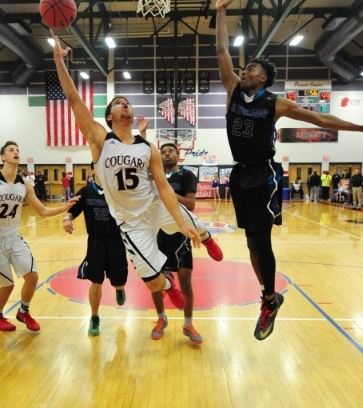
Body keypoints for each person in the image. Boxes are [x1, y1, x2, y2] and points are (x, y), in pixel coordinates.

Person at [215, 0, 363, 341]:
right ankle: (270, 297)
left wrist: (359, 126)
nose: (243, 71)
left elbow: (320, 121)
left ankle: (267, 299)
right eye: (244, 68)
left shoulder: (276, 104)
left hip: (264, 174)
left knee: (262, 241)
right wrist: (220, 13)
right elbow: (221, 51)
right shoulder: (233, 90)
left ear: (263, 78)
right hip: (240, 173)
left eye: (251, 69)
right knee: (250, 242)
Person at [51, 30, 222, 315]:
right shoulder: (99, 139)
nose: (124, 103)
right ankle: (168, 286)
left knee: (190, 223)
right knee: (152, 282)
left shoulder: (148, 148)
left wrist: (180, 223)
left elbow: (165, 188)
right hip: (130, 223)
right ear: (109, 116)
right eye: (117, 102)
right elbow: (71, 97)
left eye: (126, 101)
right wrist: (58, 59)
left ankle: (207, 238)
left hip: (155, 204)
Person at [0, 141, 79, 332]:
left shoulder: (24, 183)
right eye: (11, 150)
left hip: (13, 236)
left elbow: (42, 210)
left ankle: (23, 312)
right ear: (2, 157)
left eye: (18, 150)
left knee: (33, 276)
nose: (16, 152)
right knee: (7, 285)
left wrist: (64, 207)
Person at [63, 162, 128, 337]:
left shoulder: (118, 190)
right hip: (96, 242)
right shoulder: (85, 192)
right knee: (96, 282)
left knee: (118, 281)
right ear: (93, 170)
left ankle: (119, 288)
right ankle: (94, 317)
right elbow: (71, 211)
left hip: (116, 241)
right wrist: (66, 219)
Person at [150, 143, 203, 344]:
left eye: (170, 151)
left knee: (186, 283)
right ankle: (161, 319)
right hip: (159, 235)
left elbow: (190, 204)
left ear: (178, 154)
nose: (166, 154)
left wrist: (167, 194)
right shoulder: (156, 177)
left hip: (181, 235)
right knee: (155, 282)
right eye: (163, 153)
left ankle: (188, 323)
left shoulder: (187, 176)